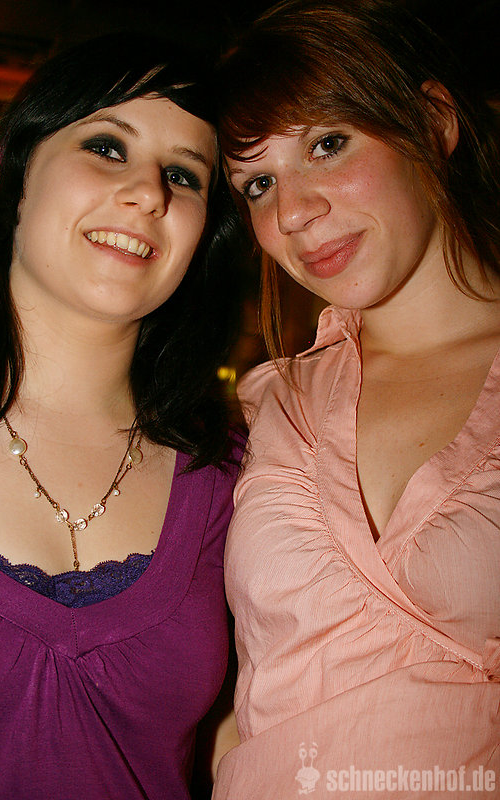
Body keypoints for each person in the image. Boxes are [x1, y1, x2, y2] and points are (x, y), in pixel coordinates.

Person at [213, 1, 500, 796]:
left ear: (434, 122)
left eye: (326, 144)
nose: (292, 212)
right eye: (258, 183)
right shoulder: (275, 405)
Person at [0, 31, 245, 800]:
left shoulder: (235, 475)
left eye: (183, 176)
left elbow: (238, 742)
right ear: (18, 177)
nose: (150, 193)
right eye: (107, 147)